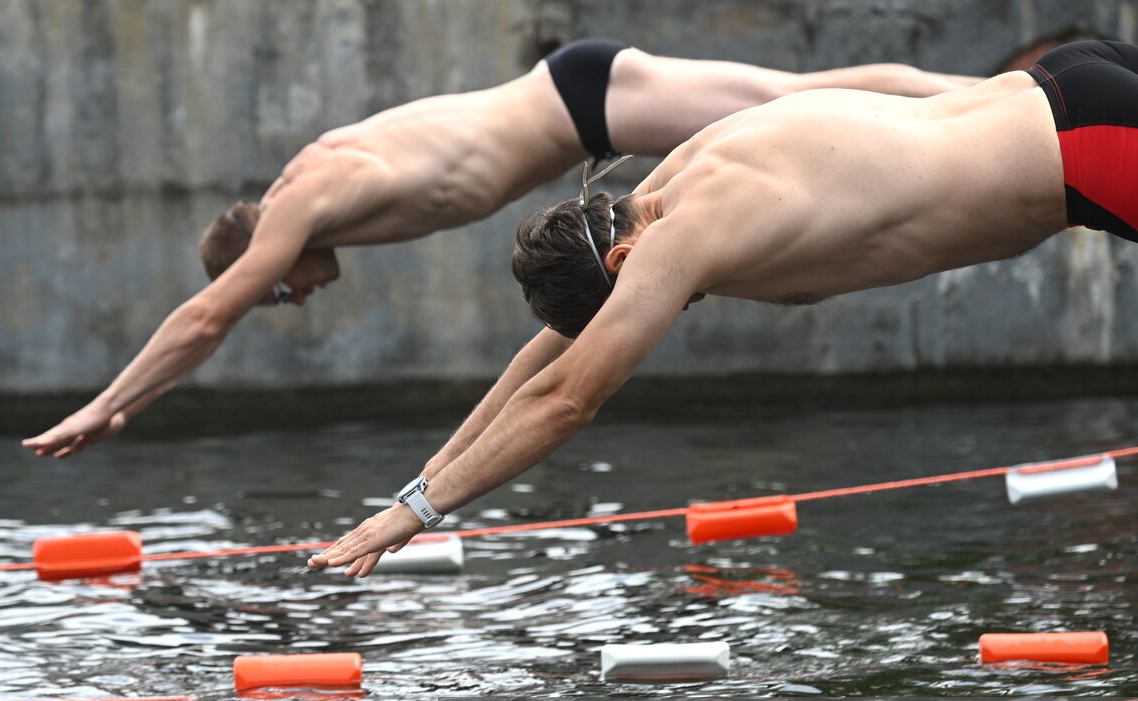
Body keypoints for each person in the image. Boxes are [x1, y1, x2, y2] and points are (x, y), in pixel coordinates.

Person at [307, 39, 1136, 577]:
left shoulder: (678, 241)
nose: (674, 304)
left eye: (656, 300)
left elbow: (565, 399)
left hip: (1089, 152)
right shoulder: (671, 175)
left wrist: (416, 516)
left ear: (627, 262)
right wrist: (415, 490)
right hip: (1065, 81)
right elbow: (543, 360)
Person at [23, 40, 973, 458]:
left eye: (273, 293)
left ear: (250, 256)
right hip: (580, 109)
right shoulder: (319, 190)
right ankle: (993, 102)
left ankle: (999, 99)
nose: (291, 299)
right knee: (799, 94)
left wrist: (109, 407)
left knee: (801, 96)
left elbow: (203, 318)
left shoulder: (301, 198)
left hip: (583, 99)